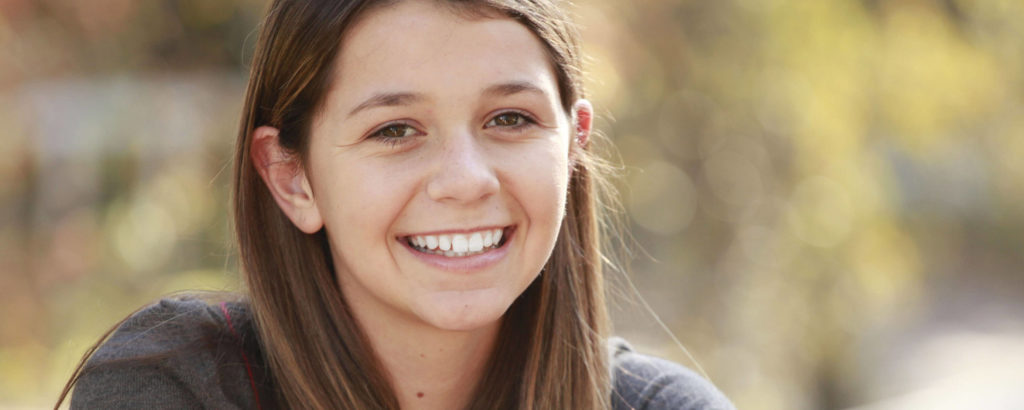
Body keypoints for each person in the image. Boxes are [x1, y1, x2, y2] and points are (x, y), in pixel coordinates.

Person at [59, 0, 735, 409]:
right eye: (394, 130)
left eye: (509, 119)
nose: (466, 180)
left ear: (573, 146)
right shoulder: (177, 390)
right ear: (292, 178)